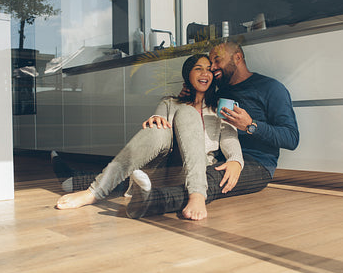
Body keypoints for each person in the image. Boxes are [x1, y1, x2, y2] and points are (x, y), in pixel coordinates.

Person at [53, 54, 244, 221]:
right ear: (188, 75)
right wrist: (159, 117)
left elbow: (230, 140)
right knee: (159, 126)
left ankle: (197, 195)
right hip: (159, 170)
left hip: (193, 174)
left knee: (187, 113)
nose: (205, 73)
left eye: (209, 70)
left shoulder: (219, 108)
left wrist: (236, 160)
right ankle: (94, 192)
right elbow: (157, 123)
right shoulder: (169, 102)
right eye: (198, 69)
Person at [140, 40, 299, 218]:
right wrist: (188, 94)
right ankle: (140, 186)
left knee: (208, 178)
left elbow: (291, 138)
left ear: (237, 58)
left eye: (217, 61)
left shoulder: (270, 88)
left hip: (257, 164)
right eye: (210, 63)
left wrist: (250, 126)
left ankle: (151, 201)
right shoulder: (218, 91)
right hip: (216, 156)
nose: (212, 67)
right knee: (195, 170)